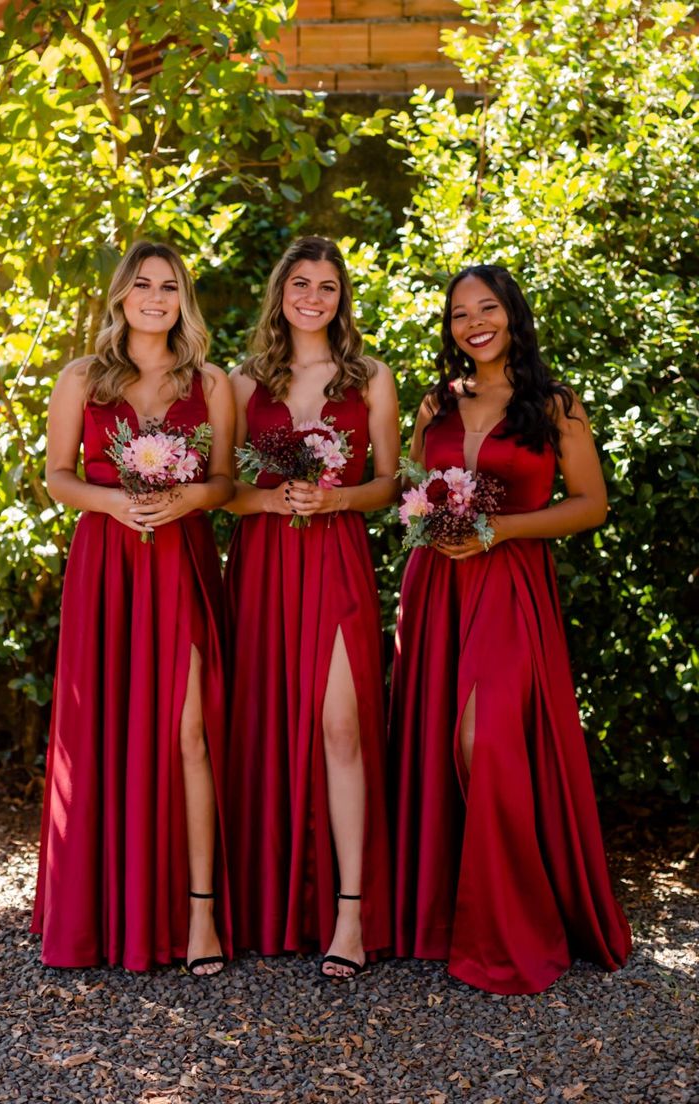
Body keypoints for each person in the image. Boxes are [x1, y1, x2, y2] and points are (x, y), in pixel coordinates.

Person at [390, 263, 631, 994]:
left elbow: (591, 505)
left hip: (510, 585)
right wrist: (432, 518)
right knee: (438, 745)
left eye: (486, 308)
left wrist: (501, 529)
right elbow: (409, 487)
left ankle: (513, 926)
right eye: (459, 314)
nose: (473, 324)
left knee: (484, 740)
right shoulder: (436, 403)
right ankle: (444, 918)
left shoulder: (554, 404)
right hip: (437, 588)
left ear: (512, 316)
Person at [31, 240, 235, 976]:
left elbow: (222, 484)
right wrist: (118, 503)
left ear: (184, 300)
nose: (156, 297)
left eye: (171, 286)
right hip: (107, 563)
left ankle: (200, 915)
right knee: (105, 730)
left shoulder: (210, 382)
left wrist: (185, 498)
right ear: (121, 296)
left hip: (179, 562)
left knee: (189, 731)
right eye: (144, 284)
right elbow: (57, 478)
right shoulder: (82, 378)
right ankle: (103, 910)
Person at [225, 236, 399, 978]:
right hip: (264, 564)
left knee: (341, 725)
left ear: (342, 299)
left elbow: (390, 484)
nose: (314, 297)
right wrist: (267, 499)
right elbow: (219, 488)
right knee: (265, 723)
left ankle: (352, 914)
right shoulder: (242, 382)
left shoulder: (372, 377)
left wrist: (336, 498)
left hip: (336, 559)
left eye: (328, 287)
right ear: (281, 291)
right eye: (301, 283)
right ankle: (268, 907)